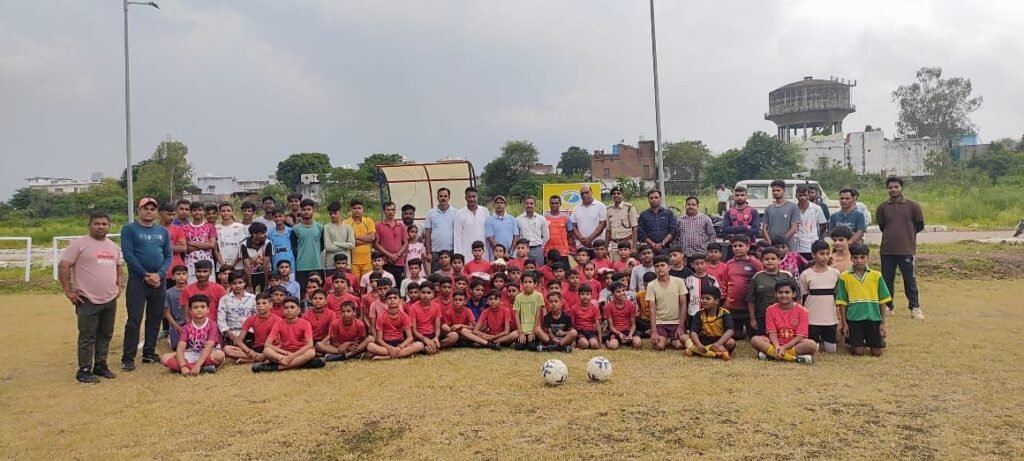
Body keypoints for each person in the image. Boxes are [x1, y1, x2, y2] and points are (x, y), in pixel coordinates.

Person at [59, 211, 123, 384]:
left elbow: (118, 268)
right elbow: (64, 265)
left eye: (104, 224)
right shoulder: (79, 244)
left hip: (109, 299)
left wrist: (119, 287)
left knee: (105, 334)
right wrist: (68, 291)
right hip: (87, 299)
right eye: (97, 224)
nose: (101, 227)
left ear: (109, 226)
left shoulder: (113, 246)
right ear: (89, 225)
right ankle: (84, 370)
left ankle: (101, 365)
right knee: (87, 336)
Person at [120, 198, 172, 371]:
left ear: (156, 212)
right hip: (138, 280)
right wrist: (144, 274)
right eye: (145, 208)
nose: (149, 211)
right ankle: (128, 357)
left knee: (155, 317)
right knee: (134, 319)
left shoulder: (162, 231)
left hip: (159, 281)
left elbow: (168, 256)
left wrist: (159, 274)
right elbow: (128, 255)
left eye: (152, 209)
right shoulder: (129, 229)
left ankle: (149, 353)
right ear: (139, 210)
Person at [876, 176, 925, 320]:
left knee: (910, 280)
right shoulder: (882, 207)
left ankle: (914, 307)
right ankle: (888, 306)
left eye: (896, 187)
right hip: (887, 250)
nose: (893, 190)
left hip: (906, 250)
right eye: (890, 187)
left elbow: (919, 225)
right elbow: (882, 226)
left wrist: (907, 235)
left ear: (901, 188)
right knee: (886, 280)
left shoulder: (913, 206)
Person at [836, 243, 893, 357]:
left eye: (862, 257)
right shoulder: (844, 276)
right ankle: (854, 343)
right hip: (854, 319)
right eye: (855, 257)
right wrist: (845, 324)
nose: (859, 261)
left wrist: (882, 323)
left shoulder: (876, 276)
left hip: (873, 318)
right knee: (858, 352)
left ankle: (877, 341)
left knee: (877, 353)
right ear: (851, 258)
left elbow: (882, 301)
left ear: (867, 258)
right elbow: (842, 302)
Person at [750, 280, 816, 364]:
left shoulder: (802, 311)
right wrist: (777, 346)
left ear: (794, 294)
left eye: (787, 292)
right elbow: (772, 332)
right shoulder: (770, 310)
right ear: (775, 294)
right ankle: (793, 358)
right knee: (755, 340)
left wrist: (784, 347)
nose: (783, 295)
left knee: (811, 345)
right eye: (780, 292)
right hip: (775, 343)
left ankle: (772, 354)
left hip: (795, 344)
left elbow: (800, 336)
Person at [252, 297, 324, 371]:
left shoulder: (306, 323)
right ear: (283, 311)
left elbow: (310, 345)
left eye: (292, 307)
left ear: (298, 310)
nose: (289, 310)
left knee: (311, 353)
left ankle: (276, 368)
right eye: (286, 308)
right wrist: (286, 354)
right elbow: (267, 344)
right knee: (267, 351)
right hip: (283, 354)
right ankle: (299, 364)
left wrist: (291, 357)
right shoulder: (279, 323)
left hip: (300, 353)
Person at [160, 294, 225, 375]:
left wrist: (198, 365)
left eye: (202, 307)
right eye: (195, 307)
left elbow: (209, 346)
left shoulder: (212, 325)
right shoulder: (186, 327)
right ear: (190, 311)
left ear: (208, 309)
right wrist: (183, 366)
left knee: (220, 355)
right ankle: (200, 368)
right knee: (164, 358)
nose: (199, 310)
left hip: (209, 353)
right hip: (192, 353)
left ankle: (194, 367)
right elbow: (180, 347)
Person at [800, 240, 841, 353]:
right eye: (822, 254)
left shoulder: (835, 273)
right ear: (813, 255)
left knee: (831, 349)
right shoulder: (806, 274)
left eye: (827, 253)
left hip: (830, 318)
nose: (825, 257)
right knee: (813, 348)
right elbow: (803, 296)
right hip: (812, 318)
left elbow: (837, 295)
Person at [720, 235, 763, 340]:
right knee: (735, 336)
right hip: (733, 305)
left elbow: (761, 281)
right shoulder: (729, 263)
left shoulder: (755, 263)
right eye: (734, 246)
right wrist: (725, 300)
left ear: (747, 247)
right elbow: (725, 282)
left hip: (750, 307)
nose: (737, 248)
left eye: (740, 245)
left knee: (753, 336)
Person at [746, 247, 796, 336]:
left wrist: (795, 315)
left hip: (784, 315)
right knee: (763, 340)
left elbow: (797, 297)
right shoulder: (757, 277)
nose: (770, 261)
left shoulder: (787, 275)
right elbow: (751, 300)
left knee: (783, 338)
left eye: (773, 259)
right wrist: (753, 319)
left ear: (779, 260)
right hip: (762, 316)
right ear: (762, 261)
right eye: (766, 259)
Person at [367, 289, 425, 360]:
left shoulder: (404, 316)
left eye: (395, 298)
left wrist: (399, 347)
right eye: (390, 298)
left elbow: (410, 337)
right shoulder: (381, 317)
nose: (392, 300)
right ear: (386, 301)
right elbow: (379, 339)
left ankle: (387, 357)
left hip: (400, 342)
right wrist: (390, 348)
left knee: (419, 345)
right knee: (370, 346)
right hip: (386, 344)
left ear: (400, 301)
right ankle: (403, 354)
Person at [646, 255, 688, 351]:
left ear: (669, 267)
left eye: (662, 265)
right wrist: (654, 331)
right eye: (657, 266)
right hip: (660, 322)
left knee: (679, 345)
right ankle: (666, 339)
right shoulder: (651, 285)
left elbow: (683, 305)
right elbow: (652, 309)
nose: (660, 268)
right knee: (659, 346)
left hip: (676, 322)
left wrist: (681, 326)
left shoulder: (679, 282)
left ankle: (670, 339)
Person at [224, 292, 279, 364]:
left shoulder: (277, 320)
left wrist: (267, 352)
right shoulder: (251, 319)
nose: (261, 306)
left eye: (264, 303)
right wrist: (249, 351)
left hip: (271, 348)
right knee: (227, 349)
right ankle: (260, 358)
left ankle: (255, 359)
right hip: (256, 348)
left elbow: (281, 342)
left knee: (273, 352)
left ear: (271, 305)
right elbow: (239, 340)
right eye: (258, 303)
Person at [684, 286, 735, 360]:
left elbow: (730, 331)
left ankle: (694, 350)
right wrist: (698, 344)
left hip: (719, 340)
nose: (704, 301)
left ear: (716, 301)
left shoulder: (725, 313)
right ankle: (718, 352)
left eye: (707, 299)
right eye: (702, 298)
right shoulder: (699, 314)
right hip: (703, 340)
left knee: (731, 343)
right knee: (683, 337)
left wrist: (718, 343)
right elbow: (693, 332)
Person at [409, 285, 458, 354]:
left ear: (433, 294)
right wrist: (424, 339)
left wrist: (436, 337)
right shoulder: (413, 307)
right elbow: (414, 330)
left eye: (429, 293)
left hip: (433, 334)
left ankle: (434, 345)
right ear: (419, 293)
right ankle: (428, 348)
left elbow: (437, 327)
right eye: (423, 292)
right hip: (420, 336)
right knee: (430, 350)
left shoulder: (436, 306)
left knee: (454, 336)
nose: (426, 295)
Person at [290, 199, 324, 296]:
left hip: (317, 265)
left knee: (318, 292)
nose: (306, 212)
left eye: (309, 209)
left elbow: (322, 245)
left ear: (313, 210)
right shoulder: (296, 229)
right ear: (301, 211)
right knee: (303, 292)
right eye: (304, 210)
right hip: (302, 266)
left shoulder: (320, 227)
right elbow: (294, 247)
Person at [180, 260, 228, 325]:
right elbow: (186, 316)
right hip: (194, 326)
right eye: (198, 271)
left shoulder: (219, 289)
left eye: (205, 271)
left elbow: (223, 312)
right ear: (195, 272)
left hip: (215, 326)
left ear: (210, 272)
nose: (201, 274)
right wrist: (192, 328)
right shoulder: (187, 290)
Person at [217, 271, 257, 350]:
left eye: (240, 282)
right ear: (230, 284)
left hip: (250, 333)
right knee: (227, 350)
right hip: (232, 334)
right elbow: (221, 321)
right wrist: (232, 336)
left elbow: (257, 317)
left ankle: (249, 353)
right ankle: (251, 354)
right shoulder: (224, 299)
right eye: (234, 283)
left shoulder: (253, 298)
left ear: (245, 283)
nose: (237, 286)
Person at [375, 201, 408, 285]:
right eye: (388, 210)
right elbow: (376, 244)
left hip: (399, 262)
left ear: (395, 211)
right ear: (384, 211)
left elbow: (405, 242)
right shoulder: (378, 226)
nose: (390, 212)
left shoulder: (401, 226)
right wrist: (390, 255)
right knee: (386, 284)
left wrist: (397, 255)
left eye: (392, 210)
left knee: (399, 284)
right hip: (386, 261)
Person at [424, 187, 457, 272]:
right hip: (436, 251)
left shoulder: (456, 212)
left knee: (452, 275)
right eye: (441, 196)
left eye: (445, 196)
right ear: (437, 197)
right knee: (436, 276)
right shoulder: (430, 213)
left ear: (449, 197)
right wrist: (428, 252)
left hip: (451, 250)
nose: (443, 198)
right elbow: (427, 233)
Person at [183, 201, 217, 282]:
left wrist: (193, 243)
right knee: (192, 286)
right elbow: (186, 248)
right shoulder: (185, 228)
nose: (197, 212)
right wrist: (204, 245)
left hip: (207, 262)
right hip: (191, 263)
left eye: (200, 210)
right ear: (190, 212)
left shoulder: (210, 227)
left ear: (204, 212)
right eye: (194, 210)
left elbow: (212, 245)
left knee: (209, 286)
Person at [682, 253, 720, 326]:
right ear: (692, 265)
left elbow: (717, 297)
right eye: (696, 264)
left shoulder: (712, 280)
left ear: (706, 264)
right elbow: (685, 298)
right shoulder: (688, 280)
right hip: (693, 313)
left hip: (709, 314)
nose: (699, 266)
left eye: (702, 263)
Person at [345, 199, 376, 282]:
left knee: (367, 284)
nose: (357, 210)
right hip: (352, 262)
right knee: (354, 284)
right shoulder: (346, 223)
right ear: (351, 209)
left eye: (359, 208)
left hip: (368, 261)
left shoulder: (369, 221)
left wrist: (355, 236)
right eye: (354, 208)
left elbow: (372, 238)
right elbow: (347, 242)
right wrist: (366, 241)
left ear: (363, 209)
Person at [761, 179, 800, 246]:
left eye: (778, 190)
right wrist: (770, 243)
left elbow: (794, 228)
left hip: (788, 245)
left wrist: (781, 242)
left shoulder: (793, 207)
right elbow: (764, 229)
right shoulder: (768, 208)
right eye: (773, 190)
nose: (775, 192)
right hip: (772, 246)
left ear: (784, 190)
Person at [604, 282, 642, 350]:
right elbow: (611, 326)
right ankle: (607, 340)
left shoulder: (631, 305)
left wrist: (630, 335)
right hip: (616, 331)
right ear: (612, 294)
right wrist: (618, 334)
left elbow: (633, 324)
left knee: (638, 344)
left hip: (629, 330)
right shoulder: (608, 307)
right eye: (618, 292)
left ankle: (627, 341)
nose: (622, 293)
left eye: (623, 290)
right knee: (613, 346)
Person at [793, 185, 827, 260]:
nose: (802, 198)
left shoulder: (816, 208)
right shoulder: (793, 209)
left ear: (808, 196)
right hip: (797, 245)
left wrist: (814, 234)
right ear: (796, 196)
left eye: (805, 195)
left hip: (812, 244)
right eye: (800, 195)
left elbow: (823, 225)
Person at [454, 187, 490, 258]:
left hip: (484, 253)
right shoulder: (460, 214)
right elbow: (457, 237)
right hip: (467, 254)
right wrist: (458, 256)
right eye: (469, 197)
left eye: (474, 196)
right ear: (465, 198)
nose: (472, 199)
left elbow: (489, 233)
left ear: (477, 197)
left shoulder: (485, 211)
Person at [637, 189, 677, 253]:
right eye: (651, 198)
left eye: (656, 197)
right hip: (649, 249)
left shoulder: (668, 213)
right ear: (648, 199)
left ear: (660, 198)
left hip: (666, 248)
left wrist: (662, 243)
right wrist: (652, 244)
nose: (654, 200)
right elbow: (641, 232)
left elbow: (673, 230)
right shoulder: (643, 215)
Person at [513, 272, 545, 350]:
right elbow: (516, 315)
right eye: (525, 282)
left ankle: (534, 340)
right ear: (522, 283)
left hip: (533, 329)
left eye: (530, 282)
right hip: (523, 329)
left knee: (532, 347)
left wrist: (533, 332)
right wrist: (520, 332)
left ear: (535, 284)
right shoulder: (518, 297)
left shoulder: (539, 295)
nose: (527, 284)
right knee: (518, 347)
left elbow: (538, 314)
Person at [158, 203, 187, 289]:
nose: (171, 217)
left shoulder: (178, 229)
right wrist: (174, 246)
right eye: (169, 214)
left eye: (173, 215)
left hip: (175, 270)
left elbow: (183, 248)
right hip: (159, 270)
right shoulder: (153, 229)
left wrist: (160, 247)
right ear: (160, 213)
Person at [605, 186, 638, 260]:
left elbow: (634, 228)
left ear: (622, 195)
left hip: (627, 243)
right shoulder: (609, 209)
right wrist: (606, 247)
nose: (616, 195)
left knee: (628, 264)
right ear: (611, 196)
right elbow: (608, 230)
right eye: (614, 194)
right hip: (614, 245)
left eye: (618, 193)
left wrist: (634, 246)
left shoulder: (629, 208)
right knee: (615, 265)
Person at [515, 196, 549, 266]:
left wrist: (541, 246)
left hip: (537, 249)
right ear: (524, 205)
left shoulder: (541, 219)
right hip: (523, 249)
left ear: (535, 205)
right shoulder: (518, 219)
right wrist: (520, 248)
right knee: (522, 268)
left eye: (531, 203)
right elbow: (516, 236)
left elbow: (546, 236)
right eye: (527, 203)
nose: (529, 205)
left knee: (538, 269)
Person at [571, 185, 607, 251]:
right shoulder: (576, 208)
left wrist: (589, 239)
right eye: (582, 193)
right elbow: (573, 226)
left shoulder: (601, 206)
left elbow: (602, 224)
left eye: (587, 192)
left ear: (591, 192)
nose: (584, 195)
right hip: (582, 245)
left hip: (598, 246)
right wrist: (581, 239)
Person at [240, 222, 273, 293]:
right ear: (254, 234)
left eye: (264, 232)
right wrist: (250, 286)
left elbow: (266, 265)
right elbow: (247, 267)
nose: (264, 235)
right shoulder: (244, 244)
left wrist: (266, 284)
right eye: (262, 233)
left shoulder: (268, 243)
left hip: (265, 273)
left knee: (265, 294)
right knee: (250, 294)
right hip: (251, 274)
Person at [323, 201, 355, 274]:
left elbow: (352, 245)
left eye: (335, 213)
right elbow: (328, 247)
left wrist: (335, 243)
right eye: (330, 213)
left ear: (340, 212)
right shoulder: (326, 227)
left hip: (346, 265)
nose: (332, 215)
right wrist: (345, 246)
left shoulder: (348, 227)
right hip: (331, 265)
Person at [163, 265, 188, 349]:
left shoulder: (191, 290)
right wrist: (176, 326)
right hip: (176, 324)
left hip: (190, 323)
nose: (181, 276)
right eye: (178, 274)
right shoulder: (168, 293)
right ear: (173, 277)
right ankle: (171, 336)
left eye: (184, 274)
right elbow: (167, 313)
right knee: (176, 347)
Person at [216, 202, 247, 271]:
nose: (226, 213)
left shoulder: (240, 227)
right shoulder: (216, 228)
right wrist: (223, 265)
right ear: (219, 212)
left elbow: (242, 247)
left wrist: (232, 265)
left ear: (232, 212)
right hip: (221, 267)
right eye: (223, 211)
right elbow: (215, 249)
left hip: (238, 266)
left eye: (228, 211)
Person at [544, 195, 573, 264]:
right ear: (549, 204)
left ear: (560, 204)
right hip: (548, 251)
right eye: (552, 203)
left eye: (556, 203)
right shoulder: (544, 217)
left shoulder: (566, 217)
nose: (554, 205)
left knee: (563, 269)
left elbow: (570, 232)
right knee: (548, 269)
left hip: (563, 251)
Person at [572, 285, 601, 349]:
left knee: (595, 345)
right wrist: (573, 340)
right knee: (585, 344)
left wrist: (600, 342)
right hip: (580, 331)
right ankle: (580, 342)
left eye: (587, 294)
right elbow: (572, 324)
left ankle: (591, 341)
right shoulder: (574, 308)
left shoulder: (594, 308)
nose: (585, 296)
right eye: (582, 294)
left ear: (591, 296)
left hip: (591, 331)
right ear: (578, 295)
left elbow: (598, 325)